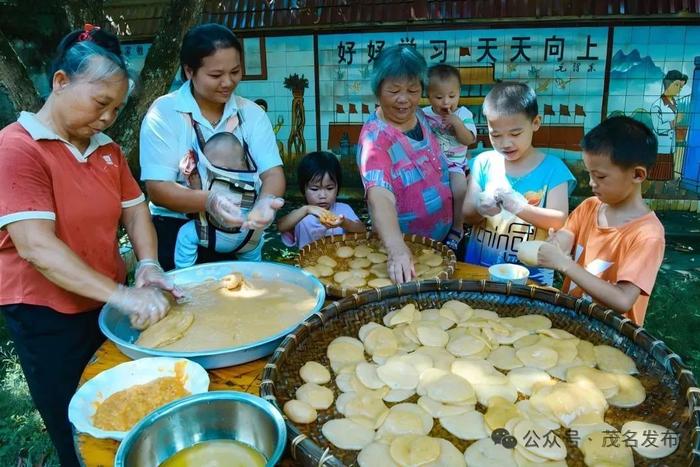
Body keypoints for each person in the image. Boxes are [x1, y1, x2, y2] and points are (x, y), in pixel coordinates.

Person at [0, 26, 179, 467]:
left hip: (105, 306)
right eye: (101, 103)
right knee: (78, 426)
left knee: (124, 406)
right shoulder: (17, 148)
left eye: (116, 109)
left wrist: (149, 265)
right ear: (61, 82)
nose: (107, 118)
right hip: (48, 317)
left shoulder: (108, 151)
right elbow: (37, 248)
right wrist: (124, 295)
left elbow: (136, 210)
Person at [140, 23, 285, 271]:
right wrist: (209, 201)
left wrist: (265, 201)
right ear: (189, 71)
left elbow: (272, 173)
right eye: (216, 75)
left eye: (235, 71)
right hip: (178, 231)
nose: (228, 83)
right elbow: (158, 189)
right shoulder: (164, 113)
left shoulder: (251, 115)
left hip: (240, 230)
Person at [536, 116, 665, 325]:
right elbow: (566, 235)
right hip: (569, 322)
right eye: (589, 174)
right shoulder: (589, 207)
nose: (591, 183)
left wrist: (564, 264)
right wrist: (556, 244)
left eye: (600, 177)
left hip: (611, 335)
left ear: (638, 174)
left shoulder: (647, 235)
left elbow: (623, 299)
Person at [357, 44, 453, 284]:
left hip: (443, 243)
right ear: (378, 90)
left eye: (412, 90)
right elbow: (379, 196)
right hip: (406, 257)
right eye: (394, 90)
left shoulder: (420, 114)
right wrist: (397, 249)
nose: (404, 99)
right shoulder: (375, 138)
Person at [463, 82, 575, 285]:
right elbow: (467, 214)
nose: (505, 143)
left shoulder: (554, 169)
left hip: (532, 279)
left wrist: (519, 207)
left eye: (515, 134)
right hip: (479, 273)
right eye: (495, 135)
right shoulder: (483, 162)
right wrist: (480, 208)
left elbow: (559, 220)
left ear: (536, 123)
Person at [174, 132, 254, 268]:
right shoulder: (253, 180)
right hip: (247, 240)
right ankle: (254, 271)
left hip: (212, 235)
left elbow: (200, 205)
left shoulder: (217, 183)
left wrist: (196, 189)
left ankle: (184, 272)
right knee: (256, 246)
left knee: (185, 234)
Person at [423, 64, 477, 251]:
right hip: (429, 163)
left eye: (452, 96)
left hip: (454, 164)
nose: (446, 102)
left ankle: (457, 227)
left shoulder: (463, 114)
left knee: (460, 190)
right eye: (439, 97)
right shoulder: (424, 114)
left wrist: (458, 124)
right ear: (429, 96)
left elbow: (469, 139)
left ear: (459, 93)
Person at [278, 151, 365, 249]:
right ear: (303, 189)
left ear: (338, 187)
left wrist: (344, 223)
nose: (322, 195)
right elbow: (281, 226)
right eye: (315, 189)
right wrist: (306, 210)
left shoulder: (343, 210)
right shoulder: (300, 216)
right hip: (307, 263)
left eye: (329, 188)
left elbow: (362, 230)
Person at [649, 70, 688, 181]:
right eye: (677, 85)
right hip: (660, 148)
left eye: (681, 87)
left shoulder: (674, 104)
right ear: (668, 84)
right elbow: (657, 127)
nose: (679, 89)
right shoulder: (657, 105)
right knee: (658, 176)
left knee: (666, 176)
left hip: (669, 148)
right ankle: (655, 195)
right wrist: (674, 122)